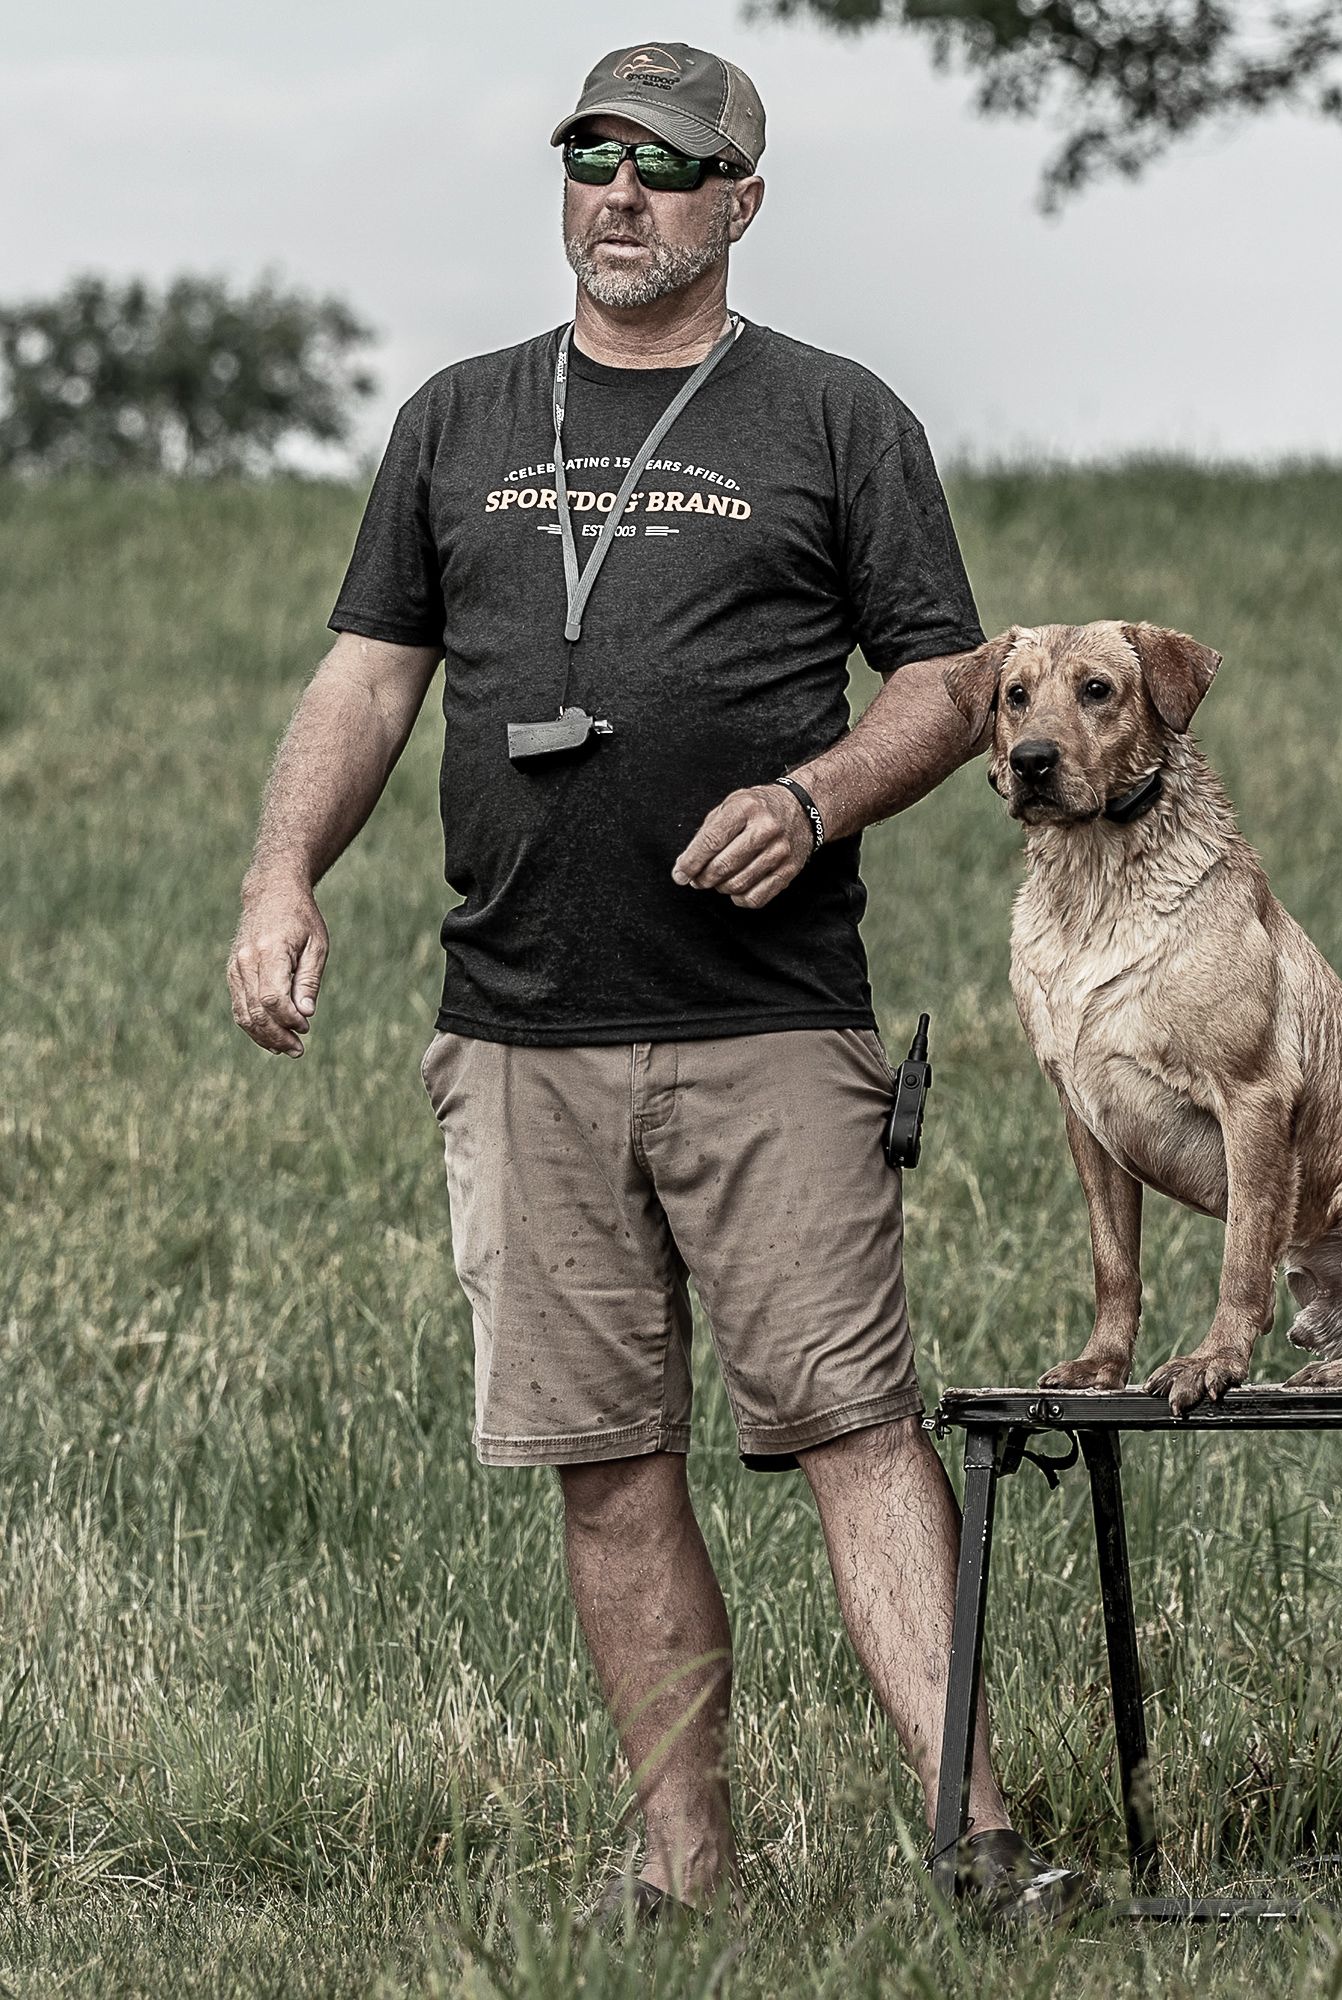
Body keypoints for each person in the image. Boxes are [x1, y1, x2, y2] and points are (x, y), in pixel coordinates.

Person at [227, 40, 1073, 1925]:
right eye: (593, 156)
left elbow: (950, 679)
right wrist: (284, 875)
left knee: (853, 1427)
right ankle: (686, 1873)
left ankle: (983, 1851)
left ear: (741, 203)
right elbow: (371, 677)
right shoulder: (457, 419)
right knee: (604, 1462)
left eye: (668, 168)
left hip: (768, 1022)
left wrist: (812, 794)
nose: (622, 193)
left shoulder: (834, 416)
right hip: (519, 1025)